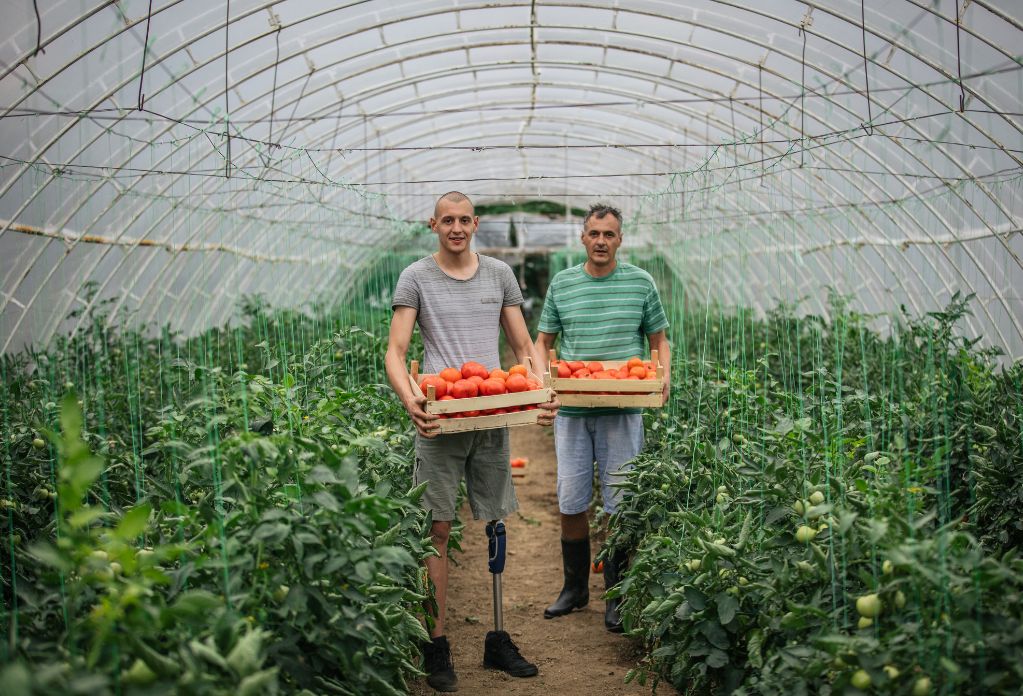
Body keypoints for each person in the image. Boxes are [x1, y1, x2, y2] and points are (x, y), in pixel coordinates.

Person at [385, 191, 557, 692]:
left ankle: (497, 638)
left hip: (492, 410)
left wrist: (544, 391)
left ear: (475, 223)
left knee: (496, 520)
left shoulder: (499, 274)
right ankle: (435, 643)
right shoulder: (416, 277)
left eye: (464, 220)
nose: (456, 228)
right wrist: (410, 398)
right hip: (441, 415)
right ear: (432, 224)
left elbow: (524, 346)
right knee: (437, 529)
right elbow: (396, 352)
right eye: (448, 221)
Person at [534, 203, 670, 633]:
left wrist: (663, 376)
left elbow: (659, 341)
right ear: (583, 238)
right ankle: (574, 590)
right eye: (594, 233)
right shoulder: (564, 284)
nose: (601, 241)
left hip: (623, 409)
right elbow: (542, 343)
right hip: (572, 411)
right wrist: (544, 383)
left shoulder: (641, 284)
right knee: (571, 499)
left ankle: (618, 595)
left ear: (620, 239)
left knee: (621, 504)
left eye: (609, 234)